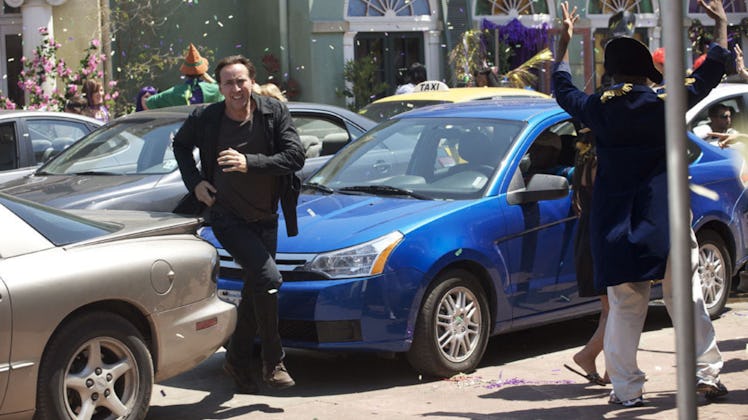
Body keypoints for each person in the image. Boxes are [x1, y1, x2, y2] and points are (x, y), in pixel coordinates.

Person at [553, 0, 729, 408]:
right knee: (686, 300)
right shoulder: (663, 103)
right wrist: (720, 25)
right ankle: (704, 375)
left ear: (611, 73)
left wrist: (561, 48)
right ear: (644, 73)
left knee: (624, 309)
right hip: (663, 220)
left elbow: (563, 90)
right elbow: (709, 73)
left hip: (613, 225)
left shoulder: (597, 109)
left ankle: (627, 390)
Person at [172, 54, 305, 394]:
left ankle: (236, 357)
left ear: (252, 82)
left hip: (265, 217)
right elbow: (181, 145)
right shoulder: (206, 118)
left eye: (241, 80)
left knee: (256, 288)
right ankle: (273, 361)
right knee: (269, 278)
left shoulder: (273, 113)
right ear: (220, 87)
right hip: (226, 216)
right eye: (229, 82)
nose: (236, 88)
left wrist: (249, 162)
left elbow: (295, 157)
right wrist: (196, 183)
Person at [146, 43, 223, 109]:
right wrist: (206, 77)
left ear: (185, 72)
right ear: (203, 72)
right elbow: (222, 88)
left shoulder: (175, 92)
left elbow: (150, 102)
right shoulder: (215, 90)